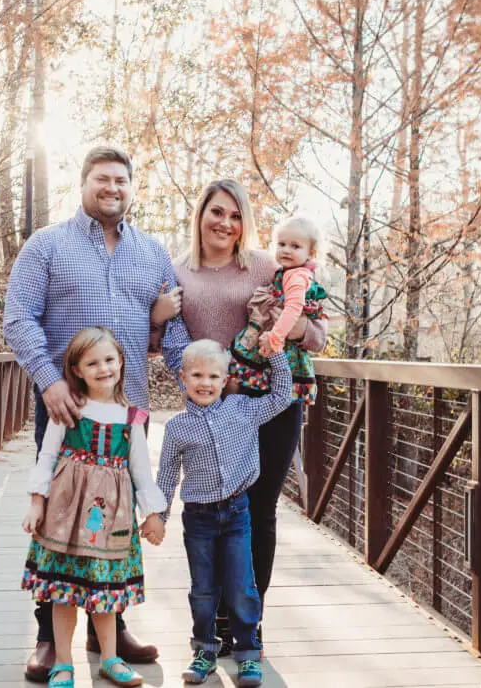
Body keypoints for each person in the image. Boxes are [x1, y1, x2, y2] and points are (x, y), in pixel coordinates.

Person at [4, 145, 190, 682]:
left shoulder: (153, 253)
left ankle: (110, 629)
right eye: (103, 179)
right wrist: (48, 379)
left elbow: (166, 335)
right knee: (60, 521)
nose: (113, 189)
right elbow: (18, 320)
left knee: (117, 516)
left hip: (126, 411)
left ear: (132, 189)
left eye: (122, 181)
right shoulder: (47, 246)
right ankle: (48, 636)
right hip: (66, 407)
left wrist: (205, 379)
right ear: (84, 182)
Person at [153, 180, 328, 654]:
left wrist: (284, 328)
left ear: (244, 222)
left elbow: (318, 337)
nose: (225, 223)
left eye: (235, 215)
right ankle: (215, 619)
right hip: (214, 413)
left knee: (259, 510)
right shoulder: (176, 274)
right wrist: (203, 380)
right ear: (200, 215)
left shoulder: (270, 267)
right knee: (213, 511)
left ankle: (247, 621)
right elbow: (170, 344)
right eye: (216, 212)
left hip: (271, 406)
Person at [22, 327, 167, 688]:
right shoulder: (68, 409)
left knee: (105, 591)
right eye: (92, 362)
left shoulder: (132, 417)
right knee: (63, 589)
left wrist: (152, 513)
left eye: (109, 359)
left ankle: (110, 658)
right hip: (65, 515)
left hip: (113, 516)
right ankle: (64, 663)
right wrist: (36, 502)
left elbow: (140, 469)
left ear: (121, 361)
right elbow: (47, 456)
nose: (103, 368)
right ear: (77, 369)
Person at [145, 339, 292, 687]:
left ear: (226, 380)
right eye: (196, 374)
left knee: (242, 585)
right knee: (203, 589)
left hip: (238, 513)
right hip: (198, 519)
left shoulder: (243, 409)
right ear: (182, 377)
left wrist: (277, 357)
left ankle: (248, 654)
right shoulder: (178, 428)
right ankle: (205, 651)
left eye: (213, 375)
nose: (205, 382)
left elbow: (282, 396)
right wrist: (158, 516)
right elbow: (166, 476)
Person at [229, 215, 328, 404]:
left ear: (311, 253)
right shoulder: (286, 272)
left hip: (281, 350)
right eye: (281, 244)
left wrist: (275, 338)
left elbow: (293, 308)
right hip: (276, 348)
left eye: (295, 246)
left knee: (273, 396)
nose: (286, 250)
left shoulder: (297, 276)